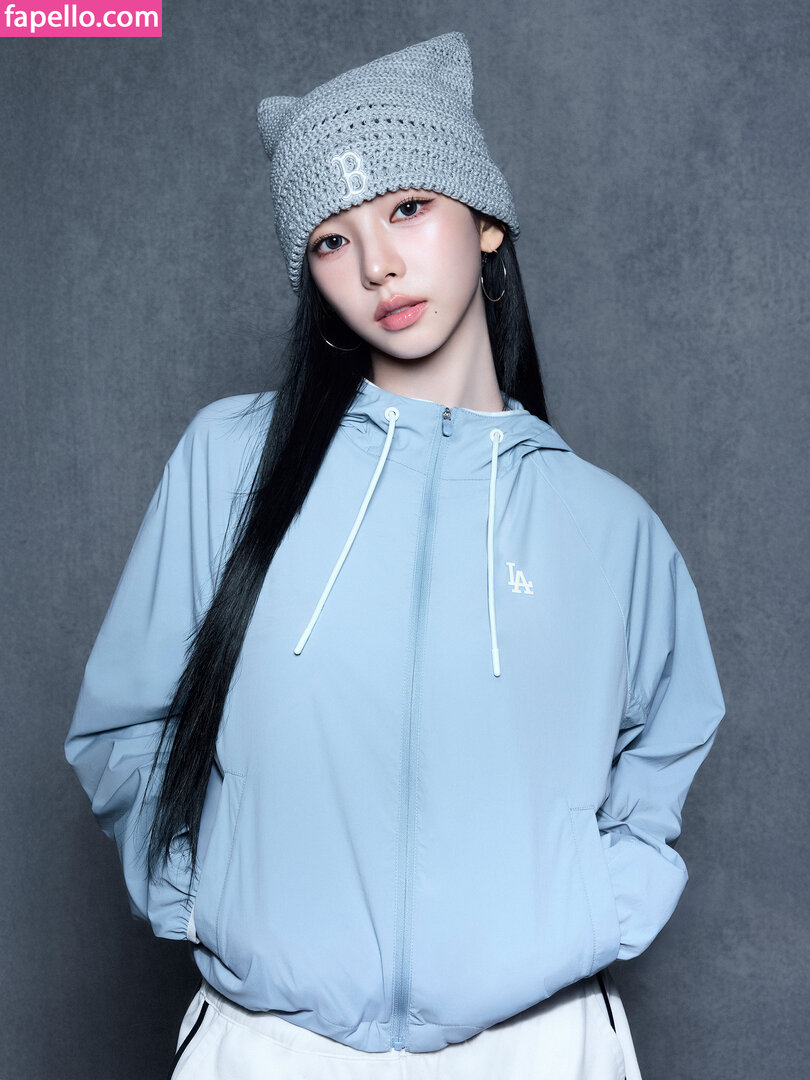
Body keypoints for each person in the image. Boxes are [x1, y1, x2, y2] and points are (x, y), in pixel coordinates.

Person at [64, 31, 726, 1080]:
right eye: (332, 238)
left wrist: (597, 907)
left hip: (540, 1048)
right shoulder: (228, 464)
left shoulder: (611, 527)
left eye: (408, 208)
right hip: (272, 1048)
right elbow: (124, 726)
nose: (376, 265)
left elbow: (665, 752)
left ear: (487, 220)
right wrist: (203, 893)